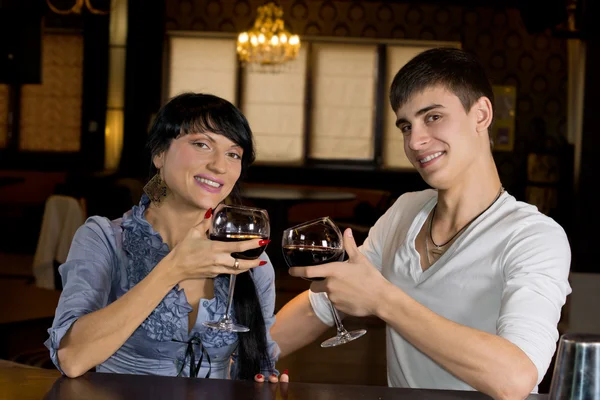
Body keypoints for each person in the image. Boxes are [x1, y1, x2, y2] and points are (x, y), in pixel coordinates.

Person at [272, 48, 571, 399]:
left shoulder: (534, 236)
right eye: (405, 126)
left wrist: (384, 301)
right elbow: (319, 306)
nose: (415, 142)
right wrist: (233, 363)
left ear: (482, 114)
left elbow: (515, 378)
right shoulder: (405, 211)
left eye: (433, 117)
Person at [45, 92, 287, 383]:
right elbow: (71, 359)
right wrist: (174, 268)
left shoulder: (247, 255)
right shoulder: (105, 239)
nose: (220, 166)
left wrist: (263, 380)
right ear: (159, 153)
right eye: (202, 144)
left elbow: (256, 363)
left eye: (233, 154)